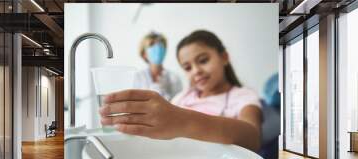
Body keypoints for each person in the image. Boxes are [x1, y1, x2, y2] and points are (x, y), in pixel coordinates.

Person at [99, 30, 262, 151]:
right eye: (187, 67)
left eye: (203, 60)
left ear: (224, 57)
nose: (196, 70)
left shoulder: (242, 96)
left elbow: (253, 138)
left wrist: (181, 120)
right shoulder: (183, 96)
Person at [134, 32, 182, 100]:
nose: (157, 48)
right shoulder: (137, 77)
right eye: (152, 44)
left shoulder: (174, 78)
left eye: (160, 45)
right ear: (144, 53)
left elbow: (179, 104)